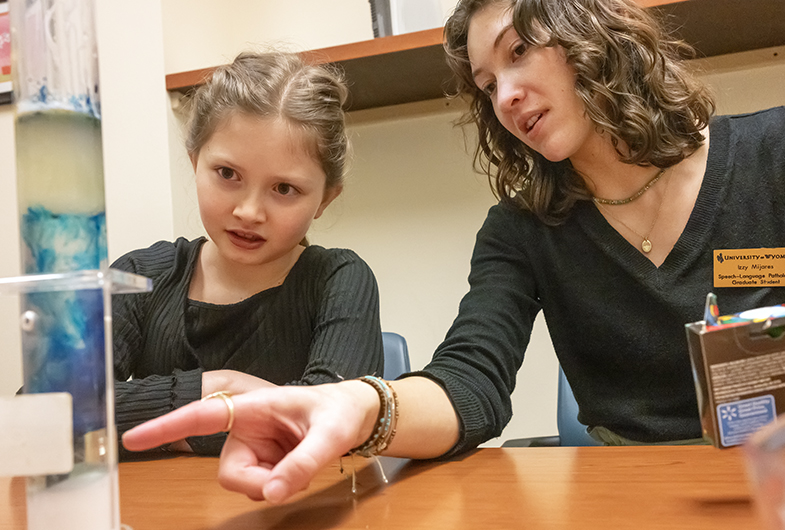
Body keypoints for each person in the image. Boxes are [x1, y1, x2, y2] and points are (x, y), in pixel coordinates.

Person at [123, 0, 785, 500]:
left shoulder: (771, 153)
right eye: (485, 81)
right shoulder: (521, 230)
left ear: (588, 25)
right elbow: (469, 382)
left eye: (519, 49)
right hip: (632, 493)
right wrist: (362, 405)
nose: (505, 95)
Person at [113, 50, 384, 457]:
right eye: (227, 175)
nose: (249, 212)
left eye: (284, 189)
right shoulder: (139, 276)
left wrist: (156, 423)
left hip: (296, 512)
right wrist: (215, 388)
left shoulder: (339, 280)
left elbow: (328, 425)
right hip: (160, 517)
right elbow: (47, 412)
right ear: (194, 162)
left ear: (325, 199)